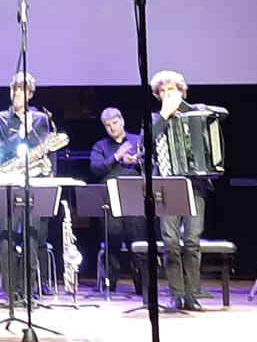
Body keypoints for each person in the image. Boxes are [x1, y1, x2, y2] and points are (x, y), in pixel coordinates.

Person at [148, 70, 216, 312]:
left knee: (192, 240)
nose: (167, 94)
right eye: (163, 91)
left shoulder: (197, 115)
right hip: (167, 186)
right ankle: (176, 294)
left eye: (172, 90)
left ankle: (192, 294)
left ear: (181, 92)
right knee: (170, 242)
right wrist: (165, 116)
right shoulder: (155, 120)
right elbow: (144, 146)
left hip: (195, 185)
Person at [0, 71, 53, 306]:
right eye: (14, 89)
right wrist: (19, 135)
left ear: (31, 94)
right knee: (6, 237)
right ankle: (10, 292)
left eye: (22, 90)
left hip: (32, 183)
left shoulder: (41, 120)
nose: (17, 93)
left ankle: (29, 290)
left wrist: (30, 131)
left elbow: (45, 151)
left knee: (32, 238)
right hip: (6, 182)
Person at [89, 107, 145, 293]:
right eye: (108, 125)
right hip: (110, 199)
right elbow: (96, 169)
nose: (112, 128)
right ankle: (110, 285)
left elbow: (154, 164)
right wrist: (116, 157)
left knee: (137, 242)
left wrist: (138, 161)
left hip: (135, 198)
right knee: (111, 241)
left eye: (115, 123)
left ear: (122, 121)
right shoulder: (100, 146)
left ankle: (143, 286)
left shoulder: (138, 141)